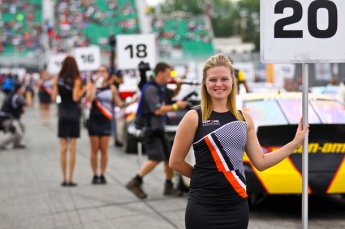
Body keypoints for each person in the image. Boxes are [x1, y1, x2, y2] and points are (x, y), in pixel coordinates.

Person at [169, 54, 309, 229]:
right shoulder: (194, 117)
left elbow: (261, 162)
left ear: (232, 82)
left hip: (236, 206)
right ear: (205, 83)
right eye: (213, 79)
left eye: (224, 79)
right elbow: (175, 161)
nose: (219, 84)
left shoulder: (244, 119)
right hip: (202, 205)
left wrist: (295, 143)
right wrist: (203, 177)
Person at [126, 62, 189, 199]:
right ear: (160, 73)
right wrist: (176, 107)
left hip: (158, 128)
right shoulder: (150, 89)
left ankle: (168, 185)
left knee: (169, 158)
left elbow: (171, 95)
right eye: (167, 74)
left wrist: (178, 86)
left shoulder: (159, 88)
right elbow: (157, 109)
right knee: (155, 158)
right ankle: (135, 181)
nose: (169, 77)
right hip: (150, 129)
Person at [86, 65, 134, 185]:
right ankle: (94, 174)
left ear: (107, 73)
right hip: (94, 120)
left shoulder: (112, 88)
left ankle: (102, 174)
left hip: (106, 120)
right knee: (94, 149)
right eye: (99, 71)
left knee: (104, 149)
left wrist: (131, 102)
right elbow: (90, 99)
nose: (101, 73)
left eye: (103, 71)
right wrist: (95, 85)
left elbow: (119, 103)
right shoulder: (92, 86)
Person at [51, 56, 87, 187]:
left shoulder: (57, 79)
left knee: (63, 147)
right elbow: (76, 97)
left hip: (63, 112)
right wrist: (85, 89)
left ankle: (63, 178)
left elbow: (54, 97)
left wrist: (55, 86)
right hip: (73, 113)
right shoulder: (77, 80)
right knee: (72, 147)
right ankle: (70, 178)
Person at [0, 83, 32, 149]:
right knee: (18, 133)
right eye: (22, 88)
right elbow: (29, 104)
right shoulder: (17, 97)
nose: (23, 90)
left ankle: (16, 143)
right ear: (18, 90)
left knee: (22, 126)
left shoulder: (11, 95)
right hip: (7, 119)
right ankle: (1, 143)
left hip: (8, 118)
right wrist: (28, 95)